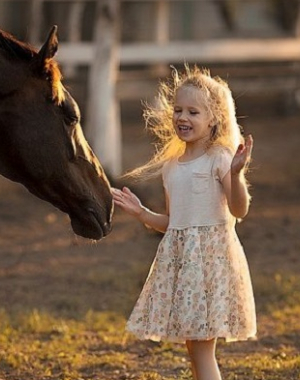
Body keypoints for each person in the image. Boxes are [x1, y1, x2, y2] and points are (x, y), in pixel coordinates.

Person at [111, 65, 256, 380]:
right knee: (194, 349)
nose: (182, 117)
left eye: (193, 111)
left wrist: (236, 174)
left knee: (203, 350)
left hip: (210, 266)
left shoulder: (219, 159)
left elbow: (239, 209)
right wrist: (140, 213)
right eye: (178, 110)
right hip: (182, 267)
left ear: (213, 118)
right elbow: (174, 224)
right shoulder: (171, 168)